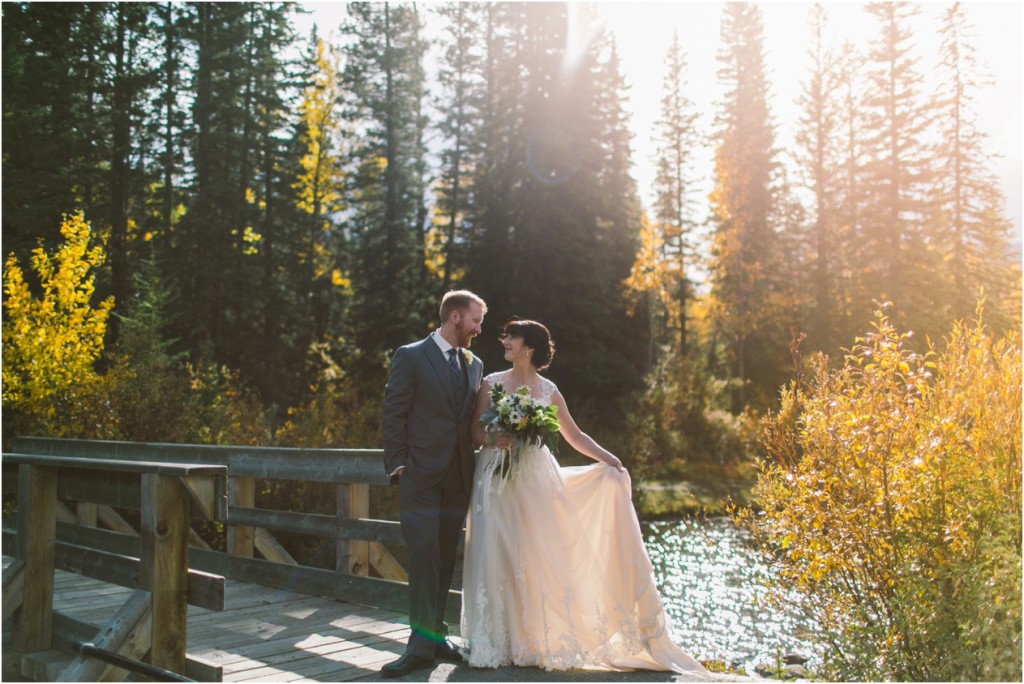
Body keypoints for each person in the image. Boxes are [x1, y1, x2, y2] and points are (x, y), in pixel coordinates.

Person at [460, 319, 709, 675]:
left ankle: (528, 642)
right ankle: (493, 642)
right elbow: (473, 430)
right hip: (494, 479)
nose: (505, 341)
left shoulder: (549, 390)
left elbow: (574, 436)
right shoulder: (492, 383)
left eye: (512, 337)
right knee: (493, 552)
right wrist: (493, 437)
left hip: (532, 481)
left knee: (530, 555)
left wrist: (610, 459)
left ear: (529, 346)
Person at [380, 290, 487, 677]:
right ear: (455, 317)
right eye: (475, 321)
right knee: (424, 557)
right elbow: (394, 411)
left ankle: (436, 637)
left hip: (458, 478)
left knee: (443, 562)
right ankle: (419, 646)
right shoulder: (410, 355)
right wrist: (398, 465)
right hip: (420, 478)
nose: (478, 329)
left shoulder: (475, 365)